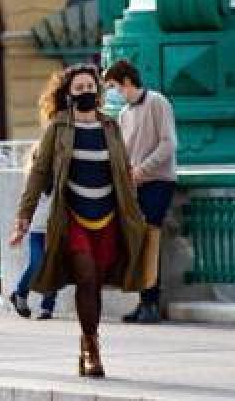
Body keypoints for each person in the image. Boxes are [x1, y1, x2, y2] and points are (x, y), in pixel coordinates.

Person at [12, 64, 148, 378]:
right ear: (68, 95)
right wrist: (23, 217)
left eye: (90, 87)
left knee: (96, 284)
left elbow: (124, 172)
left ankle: (90, 337)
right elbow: (39, 174)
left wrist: (136, 214)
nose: (86, 92)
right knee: (85, 275)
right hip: (72, 217)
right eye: (79, 88)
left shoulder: (110, 126)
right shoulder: (59, 127)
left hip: (109, 217)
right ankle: (91, 348)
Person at [103, 59, 177, 325]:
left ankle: (151, 303)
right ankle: (142, 301)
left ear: (124, 82)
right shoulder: (124, 113)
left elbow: (168, 144)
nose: (110, 93)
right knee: (136, 242)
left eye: (111, 86)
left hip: (158, 182)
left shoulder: (158, 102)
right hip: (135, 185)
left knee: (149, 240)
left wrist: (141, 170)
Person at [9, 142, 57, 320]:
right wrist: (19, 231)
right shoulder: (33, 181)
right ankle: (20, 293)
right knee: (37, 263)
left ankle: (47, 307)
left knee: (54, 266)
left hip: (56, 229)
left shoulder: (61, 178)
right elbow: (25, 206)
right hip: (37, 229)